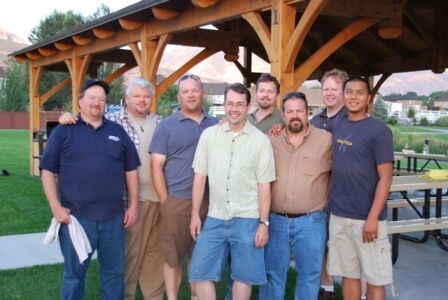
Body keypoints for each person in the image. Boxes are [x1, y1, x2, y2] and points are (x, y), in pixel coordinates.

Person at [58, 77, 165, 300]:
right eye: (136, 95)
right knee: (124, 259)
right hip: (118, 204)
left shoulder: (161, 122)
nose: (142, 100)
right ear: (126, 99)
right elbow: (88, 118)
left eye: (146, 96)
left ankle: (153, 296)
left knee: (153, 256)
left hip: (155, 198)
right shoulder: (112, 120)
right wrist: (66, 117)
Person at [40, 79, 140, 299]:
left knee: (114, 274)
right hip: (77, 219)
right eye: (92, 98)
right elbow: (47, 170)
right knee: (74, 275)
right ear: (80, 100)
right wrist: (56, 207)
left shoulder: (117, 131)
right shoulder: (64, 131)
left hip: (114, 219)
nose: (97, 103)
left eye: (102, 99)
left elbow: (131, 170)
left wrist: (133, 205)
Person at [188, 83, 276, 300]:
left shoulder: (261, 141)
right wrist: (194, 215)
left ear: (248, 106)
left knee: (243, 277)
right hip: (215, 217)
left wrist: (263, 224)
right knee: (198, 273)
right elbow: (200, 177)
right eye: (229, 104)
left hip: (247, 218)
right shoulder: (209, 135)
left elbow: (265, 185)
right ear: (224, 104)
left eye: (239, 104)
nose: (234, 109)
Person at [149, 74, 218, 300]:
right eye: (185, 91)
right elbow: (156, 165)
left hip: (210, 203)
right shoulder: (166, 126)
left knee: (200, 259)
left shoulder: (216, 125)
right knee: (173, 258)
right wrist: (165, 201)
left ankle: (196, 296)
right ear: (179, 96)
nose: (190, 95)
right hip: (177, 202)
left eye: (194, 90)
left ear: (202, 94)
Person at [258, 91, 332, 300]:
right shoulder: (270, 141)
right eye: (290, 111)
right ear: (283, 114)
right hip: (275, 220)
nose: (295, 115)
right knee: (272, 275)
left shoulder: (326, 140)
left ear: (307, 111)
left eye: (300, 110)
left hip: (312, 222)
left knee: (309, 275)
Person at [327, 77, 394, 300]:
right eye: (349, 92)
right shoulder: (337, 124)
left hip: (367, 219)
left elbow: (386, 177)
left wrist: (373, 217)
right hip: (339, 215)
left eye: (359, 92)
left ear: (368, 98)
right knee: (349, 275)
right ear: (343, 95)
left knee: (375, 278)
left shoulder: (379, 131)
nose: (353, 97)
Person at [311, 68, 348, 299]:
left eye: (334, 89)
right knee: (320, 245)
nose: (329, 93)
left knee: (345, 249)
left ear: (343, 91)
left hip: (345, 195)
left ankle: (355, 291)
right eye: (326, 89)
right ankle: (326, 288)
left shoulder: (351, 119)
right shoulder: (315, 120)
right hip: (320, 195)